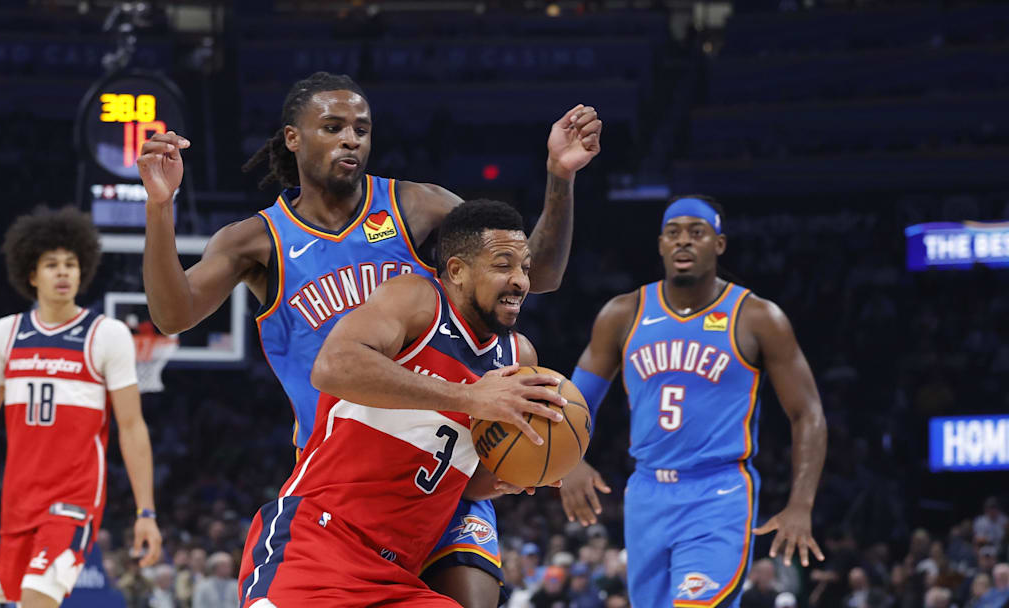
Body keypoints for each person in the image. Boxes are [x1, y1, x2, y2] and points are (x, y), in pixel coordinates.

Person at [137, 71, 601, 607]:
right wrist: (159, 209)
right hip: (344, 476)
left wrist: (558, 177)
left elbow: (520, 266)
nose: (350, 139)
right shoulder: (257, 239)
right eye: (332, 127)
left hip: (442, 469)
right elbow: (173, 315)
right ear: (293, 137)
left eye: (361, 128)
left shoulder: (416, 207)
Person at [236, 199, 563, 605]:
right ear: (458, 271)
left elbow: (464, 479)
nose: (520, 281)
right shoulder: (416, 301)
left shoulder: (518, 359)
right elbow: (332, 366)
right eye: (503, 266)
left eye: (525, 268)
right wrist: (469, 396)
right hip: (317, 542)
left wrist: (511, 476)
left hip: (395, 574)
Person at [559, 195, 828, 606]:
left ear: (718, 244)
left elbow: (806, 412)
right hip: (646, 491)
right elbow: (576, 402)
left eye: (696, 233)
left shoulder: (756, 317)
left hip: (717, 492)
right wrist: (570, 461)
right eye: (674, 234)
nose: (683, 242)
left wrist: (801, 504)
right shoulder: (623, 313)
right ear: (661, 244)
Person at [0, 206, 162, 608]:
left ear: (83, 271)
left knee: (37, 601)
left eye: (71, 264)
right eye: (52, 265)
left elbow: (132, 427)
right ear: (31, 274)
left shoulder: (105, 335)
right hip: (18, 503)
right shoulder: (5, 334)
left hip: (72, 501)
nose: (63, 272)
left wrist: (146, 511)